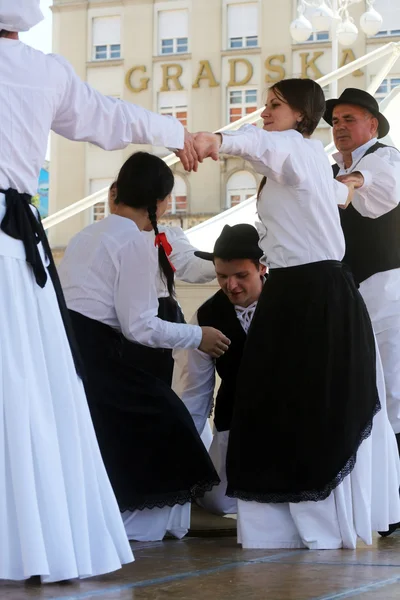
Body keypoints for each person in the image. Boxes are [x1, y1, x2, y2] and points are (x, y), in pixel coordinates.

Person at [0, 0, 204, 583]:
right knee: (26, 391)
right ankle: (31, 537)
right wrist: (179, 133)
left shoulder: (102, 234)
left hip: (18, 251)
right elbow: (109, 117)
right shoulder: (41, 69)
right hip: (13, 252)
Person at [193, 78, 400, 550]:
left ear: (300, 114)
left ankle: (316, 521)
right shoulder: (310, 160)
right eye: (265, 105)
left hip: (318, 291)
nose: (265, 112)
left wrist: (216, 140)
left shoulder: (297, 148)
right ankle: (294, 522)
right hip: (301, 289)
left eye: (275, 105)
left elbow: (260, 143)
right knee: (285, 402)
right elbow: (333, 198)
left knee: (312, 404)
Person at [59, 151, 228, 542]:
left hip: (72, 352)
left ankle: (156, 519)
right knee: (167, 417)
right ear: (163, 201)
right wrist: (198, 336)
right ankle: (145, 523)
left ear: (117, 191)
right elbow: (140, 326)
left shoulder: (87, 234)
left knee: (133, 427)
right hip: (101, 355)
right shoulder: (135, 242)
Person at [173, 224, 266, 516]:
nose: (231, 286)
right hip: (234, 422)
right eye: (222, 276)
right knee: (217, 500)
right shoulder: (205, 316)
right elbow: (195, 392)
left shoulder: (290, 302)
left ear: (262, 268)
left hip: (286, 422)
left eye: (241, 276)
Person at [324, 89, 400, 440]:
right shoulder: (330, 171)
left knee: (394, 393)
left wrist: (355, 180)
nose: (339, 126)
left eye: (348, 119)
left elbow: (382, 182)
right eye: (335, 121)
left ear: (372, 125)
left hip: (388, 295)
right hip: (353, 296)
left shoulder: (386, 157)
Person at [108, 182, 216, 385]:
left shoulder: (164, 236)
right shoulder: (105, 237)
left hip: (161, 318)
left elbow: (190, 264)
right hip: (118, 327)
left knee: (168, 386)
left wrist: (220, 264)